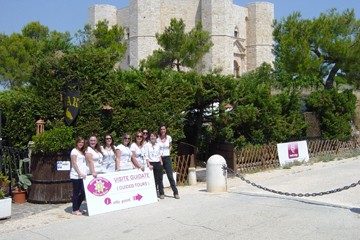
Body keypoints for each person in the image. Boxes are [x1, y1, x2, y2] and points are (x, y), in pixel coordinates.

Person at [157, 124, 179, 199]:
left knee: (170, 175)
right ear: (159, 130)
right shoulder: (157, 138)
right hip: (159, 158)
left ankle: (175, 192)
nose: (163, 130)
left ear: (166, 130)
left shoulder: (169, 137)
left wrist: (169, 151)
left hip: (167, 158)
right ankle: (161, 193)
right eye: (161, 129)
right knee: (160, 177)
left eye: (164, 129)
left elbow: (170, 145)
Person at [70, 137, 87, 215]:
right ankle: (75, 209)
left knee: (83, 193)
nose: (81, 144)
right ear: (76, 143)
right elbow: (74, 162)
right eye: (80, 142)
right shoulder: (74, 151)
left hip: (82, 176)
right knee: (76, 192)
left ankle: (77, 207)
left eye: (82, 142)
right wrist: (79, 173)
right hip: (76, 175)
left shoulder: (82, 152)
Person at [144, 132, 164, 199]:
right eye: (151, 136)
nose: (153, 137)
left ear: (156, 137)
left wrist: (161, 162)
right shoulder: (146, 145)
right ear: (149, 137)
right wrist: (148, 164)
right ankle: (154, 193)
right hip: (151, 163)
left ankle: (161, 193)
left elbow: (159, 155)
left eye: (154, 136)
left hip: (158, 163)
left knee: (160, 179)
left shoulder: (158, 145)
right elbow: (146, 156)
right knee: (154, 179)